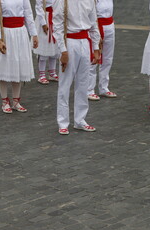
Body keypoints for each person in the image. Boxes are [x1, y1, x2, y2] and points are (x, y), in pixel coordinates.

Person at [53, 0, 101, 135]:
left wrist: (96, 47)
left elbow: (93, 23)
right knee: (65, 84)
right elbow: (57, 26)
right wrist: (63, 50)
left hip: (85, 42)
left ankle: (80, 120)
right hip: (70, 42)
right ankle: (62, 122)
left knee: (83, 84)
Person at [0, 0, 38, 114]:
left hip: (20, 33)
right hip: (6, 33)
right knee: (4, 66)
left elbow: (28, 13)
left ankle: (16, 100)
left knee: (18, 66)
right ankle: (4, 101)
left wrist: (34, 34)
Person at [88, 0, 117, 101]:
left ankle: (104, 87)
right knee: (93, 58)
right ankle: (89, 89)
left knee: (108, 58)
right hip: (96, 26)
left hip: (109, 25)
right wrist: (96, 33)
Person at [34, 0, 59, 85]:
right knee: (44, 45)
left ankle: (52, 72)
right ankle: (42, 74)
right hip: (45, 17)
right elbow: (38, 7)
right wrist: (43, 23)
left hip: (56, 17)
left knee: (55, 45)